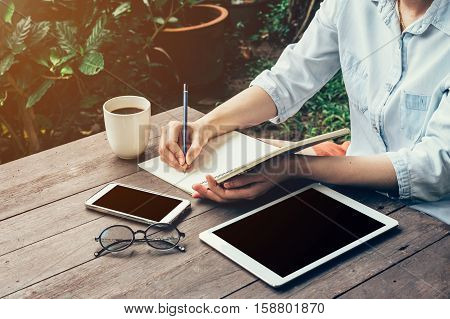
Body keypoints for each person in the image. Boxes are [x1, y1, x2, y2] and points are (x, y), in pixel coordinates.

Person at [159, 0, 450, 223]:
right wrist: (207, 124)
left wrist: (292, 167)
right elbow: (288, 79)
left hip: (433, 219)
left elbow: (437, 167)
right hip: (352, 187)